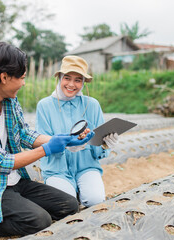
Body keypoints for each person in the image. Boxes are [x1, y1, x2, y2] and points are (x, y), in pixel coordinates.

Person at [0, 43, 94, 239]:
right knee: (39, 221)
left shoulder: (9, 100)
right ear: (4, 78)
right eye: (22, 77)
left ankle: (17, 211)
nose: (24, 83)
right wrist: (46, 149)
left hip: (14, 180)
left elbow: (24, 134)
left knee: (69, 205)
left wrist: (64, 140)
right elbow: (1, 162)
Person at [35, 55, 118, 208]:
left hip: (86, 166)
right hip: (56, 169)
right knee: (67, 205)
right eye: (67, 78)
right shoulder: (45, 106)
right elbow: (41, 143)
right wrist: (65, 146)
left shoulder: (92, 105)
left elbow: (97, 147)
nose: (71, 84)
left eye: (78, 80)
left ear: (83, 82)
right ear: (59, 77)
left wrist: (105, 145)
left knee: (96, 201)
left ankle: (83, 190)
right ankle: (73, 192)